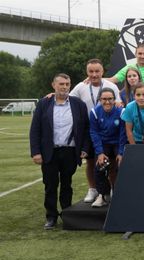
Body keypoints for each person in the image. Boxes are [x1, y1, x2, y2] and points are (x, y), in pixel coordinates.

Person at [30, 73, 90, 229]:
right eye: (61, 84)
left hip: (70, 151)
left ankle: (67, 213)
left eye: (67, 84)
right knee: (50, 185)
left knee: (67, 184)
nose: (64, 87)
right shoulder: (44, 104)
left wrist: (84, 148)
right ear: (53, 85)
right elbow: (35, 129)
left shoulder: (78, 104)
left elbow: (85, 129)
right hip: (49, 152)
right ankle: (51, 217)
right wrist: (35, 152)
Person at [69, 58, 121, 203]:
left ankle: (111, 188)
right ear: (87, 72)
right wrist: (54, 94)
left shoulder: (111, 86)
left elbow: (117, 103)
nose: (94, 74)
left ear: (102, 71)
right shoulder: (81, 86)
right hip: (89, 129)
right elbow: (68, 98)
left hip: (108, 130)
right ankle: (93, 189)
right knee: (91, 161)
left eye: (97, 71)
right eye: (91, 71)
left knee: (111, 162)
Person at [89, 88, 127, 207]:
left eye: (110, 99)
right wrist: (100, 152)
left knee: (123, 165)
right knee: (100, 166)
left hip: (117, 143)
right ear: (99, 100)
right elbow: (94, 132)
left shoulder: (121, 112)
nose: (107, 102)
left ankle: (119, 193)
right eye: (104, 99)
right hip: (104, 144)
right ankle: (102, 195)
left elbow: (123, 133)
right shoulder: (94, 112)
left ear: (114, 99)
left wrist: (121, 153)